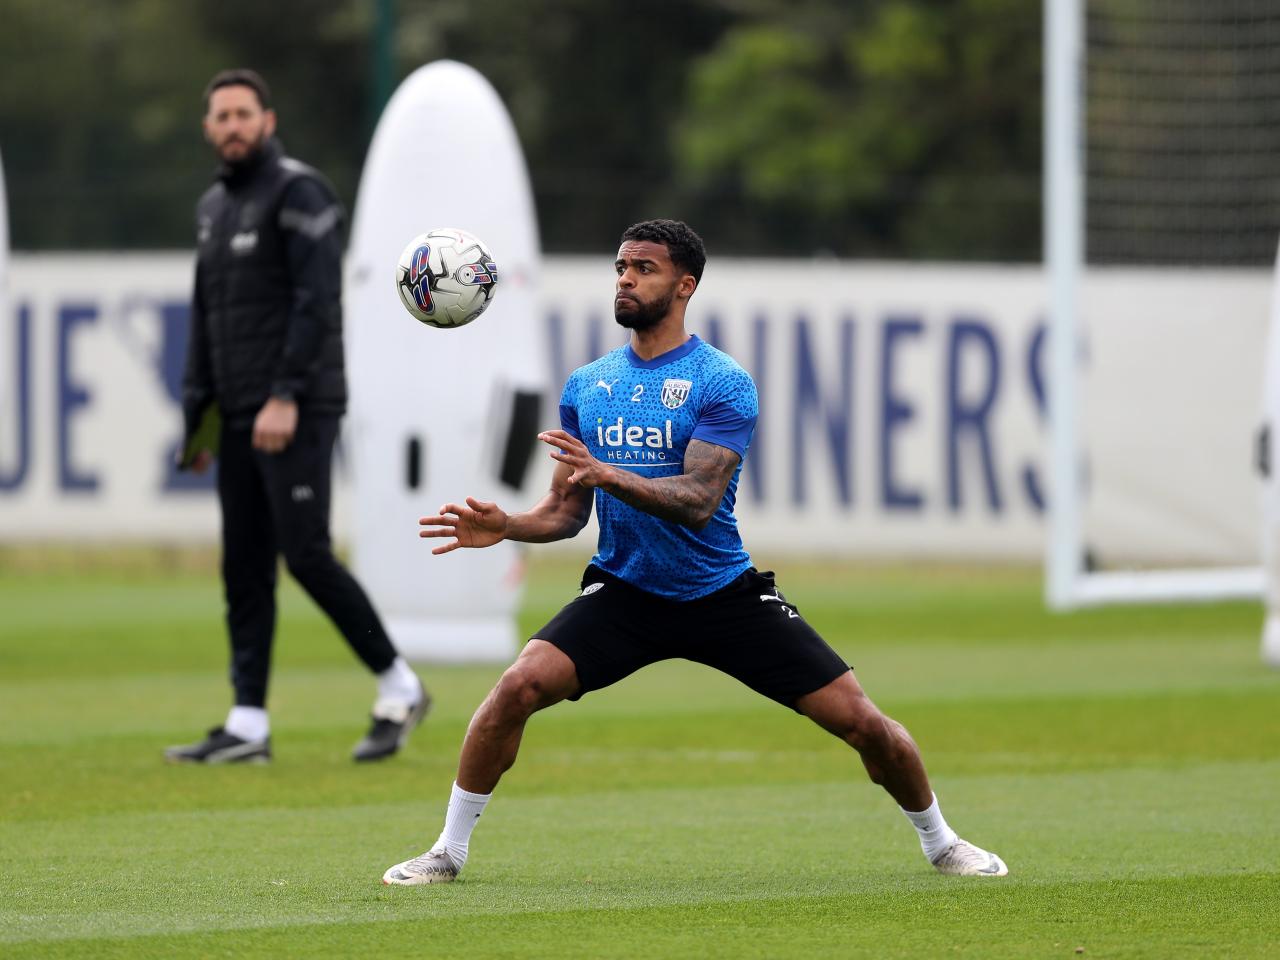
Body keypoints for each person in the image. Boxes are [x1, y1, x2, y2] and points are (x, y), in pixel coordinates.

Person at [381, 219, 1007, 884]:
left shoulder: (721, 381)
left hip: (722, 595)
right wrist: (508, 524)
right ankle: (447, 852)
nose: (625, 278)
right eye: (621, 266)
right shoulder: (587, 386)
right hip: (625, 592)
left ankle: (943, 843)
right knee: (516, 688)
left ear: (685, 285)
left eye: (643, 268)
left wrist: (611, 474)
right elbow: (568, 512)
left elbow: (699, 498)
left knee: (863, 724)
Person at [166, 69, 428, 764]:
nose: (232, 126)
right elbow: (206, 318)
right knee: (243, 565)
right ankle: (247, 723)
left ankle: (400, 687)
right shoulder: (213, 209)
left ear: (268, 120)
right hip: (240, 412)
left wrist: (285, 394)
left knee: (305, 553)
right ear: (208, 127)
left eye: (243, 114)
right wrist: (198, 420)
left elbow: (317, 303)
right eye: (220, 116)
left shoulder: (298, 193)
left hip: (297, 406)